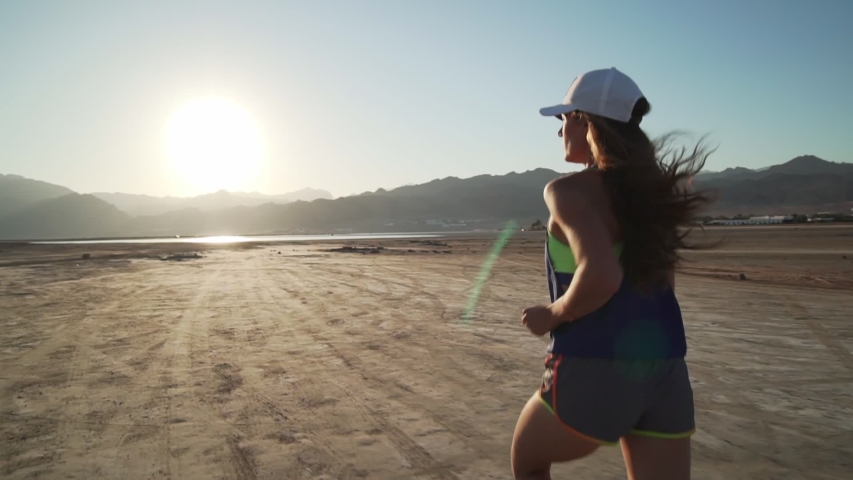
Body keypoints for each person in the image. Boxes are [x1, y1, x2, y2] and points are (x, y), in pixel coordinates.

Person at [511, 67, 714, 480]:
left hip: (593, 362)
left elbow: (601, 275)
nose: (559, 131)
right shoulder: (654, 196)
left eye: (564, 118)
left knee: (528, 461)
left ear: (586, 122)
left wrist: (552, 314)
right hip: (666, 366)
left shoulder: (565, 192)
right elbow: (664, 283)